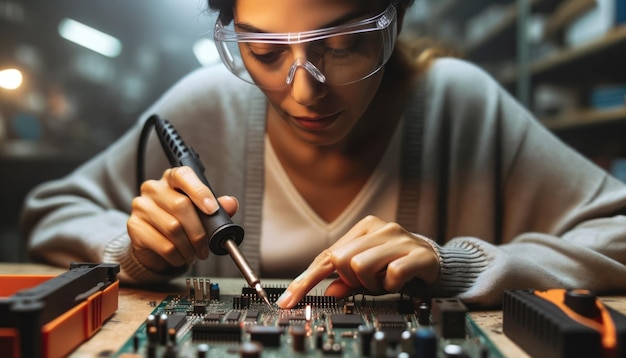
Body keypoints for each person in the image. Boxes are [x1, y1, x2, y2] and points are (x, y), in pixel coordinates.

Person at [20, 0, 626, 309]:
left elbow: (617, 232)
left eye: (342, 46)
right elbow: (52, 212)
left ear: (395, 21)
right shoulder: (207, 103)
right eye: (264, 53)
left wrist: (458, 267)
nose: (304, 91)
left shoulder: (459, 104)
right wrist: (137, 252)